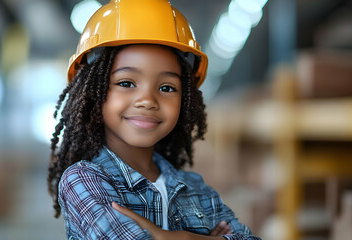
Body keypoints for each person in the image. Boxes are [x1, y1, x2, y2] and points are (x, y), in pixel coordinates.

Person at [47, 0, 262, 239]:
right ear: (92, 93)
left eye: (167, 87)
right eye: (126, 83)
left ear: (185, 100)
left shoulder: (196, 189)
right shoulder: (83, 181)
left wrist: (181, 238)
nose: (148, 100)